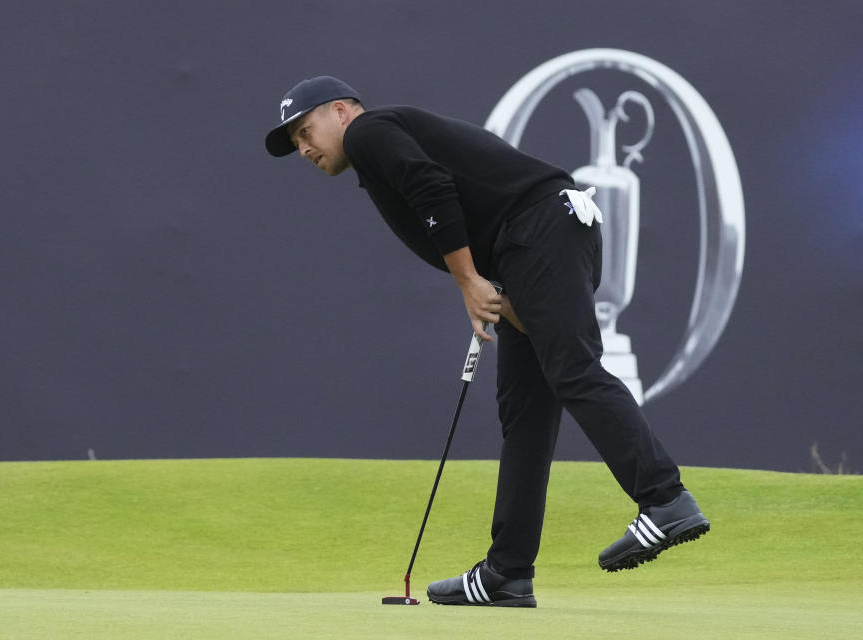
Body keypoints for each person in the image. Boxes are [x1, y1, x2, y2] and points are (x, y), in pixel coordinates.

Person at [264, 76, 709, 608]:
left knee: (573, 369)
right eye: (294, 143)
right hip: (530, 246)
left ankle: (664, 499)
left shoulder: (368, 132)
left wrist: (469, 282)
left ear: (340, 111)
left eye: (306, 131)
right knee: (524, 410)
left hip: (537, 233)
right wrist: (498, 290)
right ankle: (507, 573)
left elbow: (433, 188)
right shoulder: (377, 148)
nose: (304, 148)